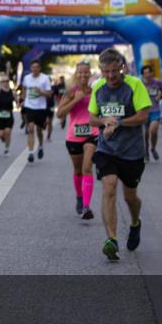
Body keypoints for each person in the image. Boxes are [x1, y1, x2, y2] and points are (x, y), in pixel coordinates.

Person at [88, 49, 151, 262]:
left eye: (114, 71)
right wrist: (104, 121)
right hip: (107, 149)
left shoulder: (135, 85)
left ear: (121, 67)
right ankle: (112, 240)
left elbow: (143, 115)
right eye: (106, 71)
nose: (111, 76)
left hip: (132, 151)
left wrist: (119, 122)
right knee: (109, 186)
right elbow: (92, 118)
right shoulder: (98, 87)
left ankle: (135, 223)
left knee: (129, 196)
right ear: (100, 70)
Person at [56, 61, 99, 221]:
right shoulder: (70, 92)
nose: (83, 75)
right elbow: (60, 114)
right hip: (74, 136)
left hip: (91, 134)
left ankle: (86, 207)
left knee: (87, 167)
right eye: (80, 72)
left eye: (86, 72)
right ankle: (79, 197)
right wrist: (75, 99)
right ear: (76, 74)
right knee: (78, 170)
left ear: (90, 74)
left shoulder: (95, 91)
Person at [18, 60, 52, 163]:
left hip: (41, 108)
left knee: (39, 131)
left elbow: (49, 94)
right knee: (31, 128)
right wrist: (22, 100)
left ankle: (41, 146)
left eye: (37, 67)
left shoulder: (45, 78)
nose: (35, 69)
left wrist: (41, 91)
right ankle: (31, 152)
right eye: (33, 67)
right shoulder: (27, 78)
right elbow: (24, 90)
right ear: (31, 68)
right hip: (29, 107)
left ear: (39, 68)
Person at [141, 65, 162, 162]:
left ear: (152, 73)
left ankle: (153, 148)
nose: (147, 75)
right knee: (145, 134)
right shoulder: (140, 83)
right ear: (142, 74)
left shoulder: (157, 82)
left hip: (155, 110)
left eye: (149, 72)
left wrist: (161, 95)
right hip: (144, 111)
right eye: (145, 73)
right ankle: (146, 152)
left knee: (153, 131)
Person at [0, 72, 16, 155]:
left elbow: (18, 103)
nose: (6, 82)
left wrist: (20, 104)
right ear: (1, 83)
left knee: (7, 132)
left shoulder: (13, 92)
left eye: (7, 81)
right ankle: (3, 138)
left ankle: (6, 149)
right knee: (0, 134)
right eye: (4, 81)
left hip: (9, 116)